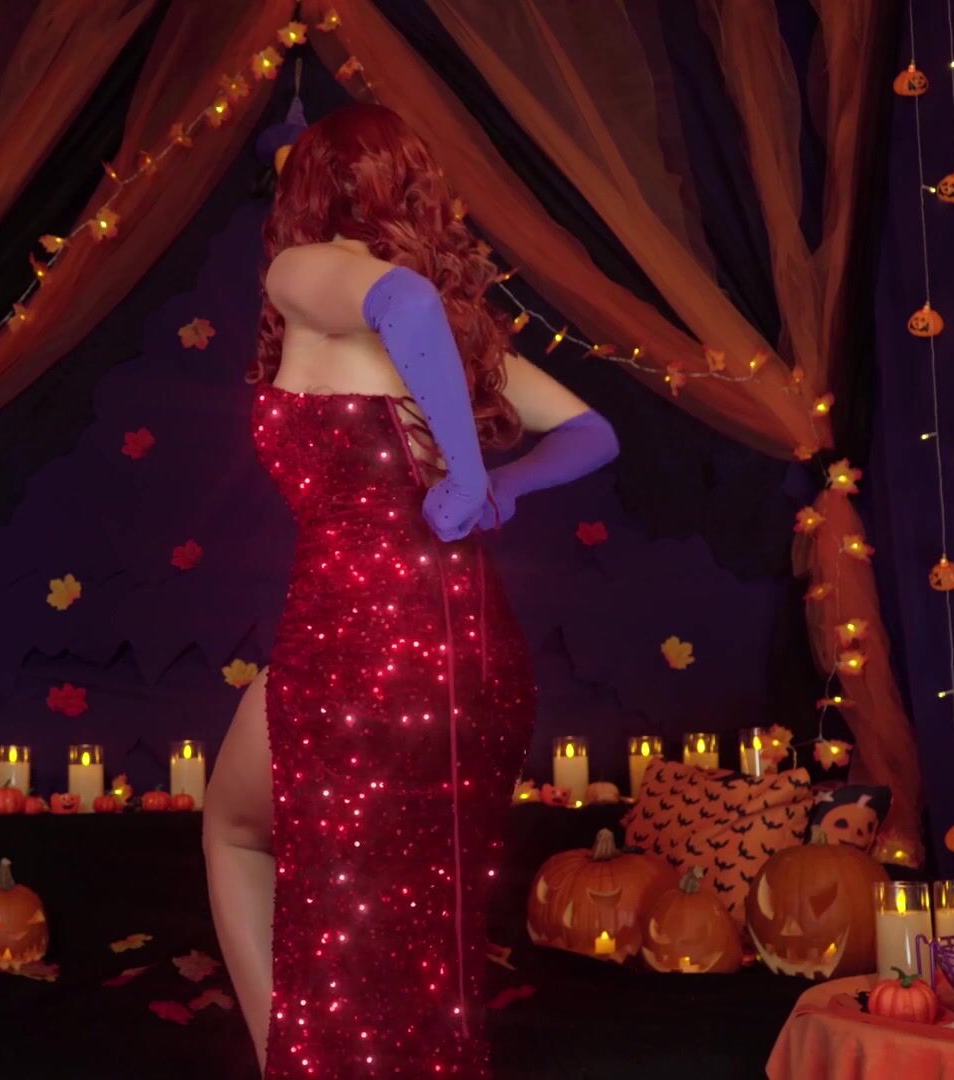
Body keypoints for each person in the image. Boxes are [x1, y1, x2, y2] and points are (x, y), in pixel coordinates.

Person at [202, 103, 618, 1077]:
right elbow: (593, 433)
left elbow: (405, 300)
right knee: (417, 920)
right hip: (471, 654)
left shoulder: (301, 269)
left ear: (309, 187)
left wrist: (474, 479)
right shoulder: (465, 350)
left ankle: (293, 1063)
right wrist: (501, 487)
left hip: (360, 639)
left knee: (249, 841)